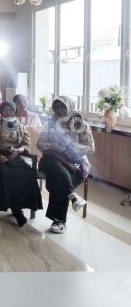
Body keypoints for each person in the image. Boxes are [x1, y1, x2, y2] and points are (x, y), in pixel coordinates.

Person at [37, 96, 94, 234]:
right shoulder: (50, 124)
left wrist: (71, 146)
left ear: (69, 106)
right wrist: (53, 146)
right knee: (52, 164)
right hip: (52, 159)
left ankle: (59, 221)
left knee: (59, 182)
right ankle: (72, 196)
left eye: (62, 107)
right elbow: (39, 143)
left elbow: (90, 148)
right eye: (56, 108)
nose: (59, 110)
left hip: (76, 163)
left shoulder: (81, 124)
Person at [0, 101, 42, 226]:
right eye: (5, 110)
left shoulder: (20, 126)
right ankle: (15, 209)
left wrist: (18, 151)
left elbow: (26, 145)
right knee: (5, 173)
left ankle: (20, 205)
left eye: (10, 110)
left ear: (14, 112)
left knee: (28, 172)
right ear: (1, 112)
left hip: (14, 155)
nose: (7, 112)